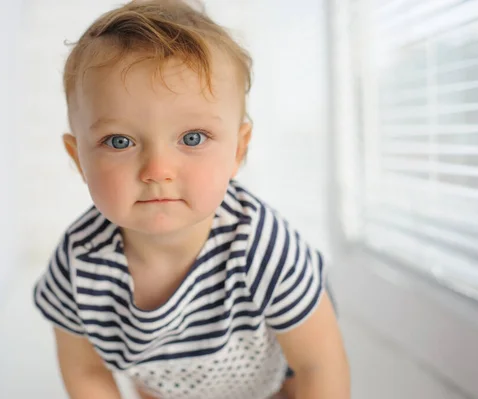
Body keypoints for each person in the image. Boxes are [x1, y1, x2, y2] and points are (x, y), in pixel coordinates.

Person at [33, 1, 350, 398]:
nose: (157, 169)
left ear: (238, 150)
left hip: (272, 385)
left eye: (192, 138)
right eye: (120, 141)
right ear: (78, 158)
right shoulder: (79, 264)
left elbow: (318, 363)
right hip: (166, 386)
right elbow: (85, 371)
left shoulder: (264, 247)